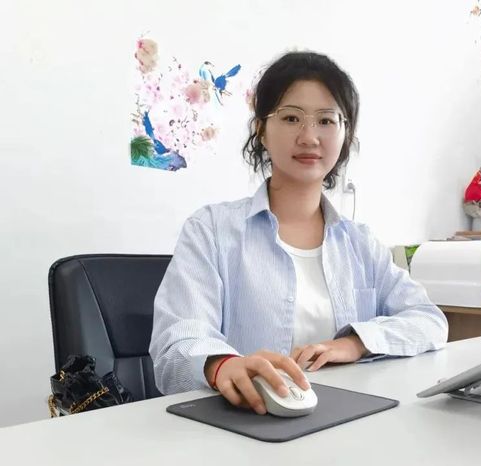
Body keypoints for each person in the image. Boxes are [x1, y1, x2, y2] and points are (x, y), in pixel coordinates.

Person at [149, 51, 448, 415]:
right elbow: (176, 343)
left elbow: (429, 320)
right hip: (244, 425)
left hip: (346, 420)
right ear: (261, 129)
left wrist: (356, 343)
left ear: (345, 134)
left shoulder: (361, 243)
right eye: (291, 118)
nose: (309, 137)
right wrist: (222, 366)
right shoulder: (211, 230)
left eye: (326, 120)